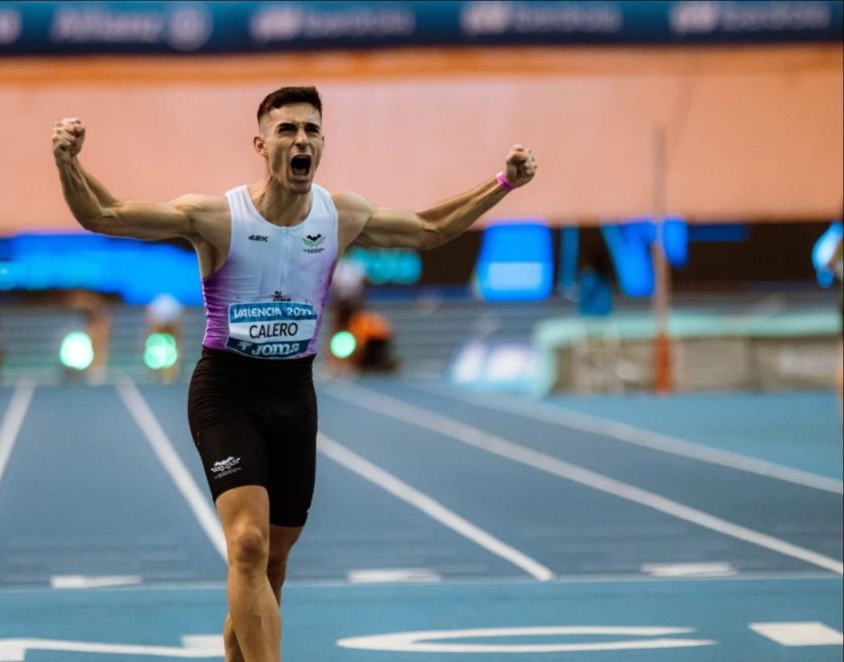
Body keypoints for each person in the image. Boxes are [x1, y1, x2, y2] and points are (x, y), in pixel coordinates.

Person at [51, 86, 536, 661]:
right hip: (226, 389)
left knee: (271, 563)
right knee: (249, 545)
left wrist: (502, 183)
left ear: (323, 144)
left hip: (293, 395)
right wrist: (68, 161)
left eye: (311, 130)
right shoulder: (217, 216)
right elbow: (102, 215)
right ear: (261, 144)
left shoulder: (341, 216)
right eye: (287, 130)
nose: (300, 139)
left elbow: (430, 230)